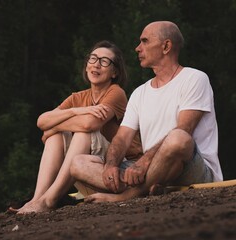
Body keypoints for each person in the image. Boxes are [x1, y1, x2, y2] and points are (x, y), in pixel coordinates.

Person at [70, 21, 223, 203]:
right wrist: (111, 165)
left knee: (178, 138)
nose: (137, 48)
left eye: (144, 41)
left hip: (192, 169)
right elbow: (122, 138)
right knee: (78, 163)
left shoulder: (195, 78)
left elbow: (185, 129)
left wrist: (143, 163)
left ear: (166, 46)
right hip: (151, 170)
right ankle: (150, 185)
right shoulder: (140, 92)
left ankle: (127, 195)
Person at [13, 40, 142, 214]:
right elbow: (42, 121)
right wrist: (76, 110)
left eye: (105, 61)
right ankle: (38, 199)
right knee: (54, 136)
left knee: (82, 133)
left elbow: (89, 124)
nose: (96, 65)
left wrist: (55, 125)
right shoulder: (78, 98)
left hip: (121, 165)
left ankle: (49, 200)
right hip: (88, 167)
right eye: (93, 59)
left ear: (114, 72)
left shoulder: (115, 92)